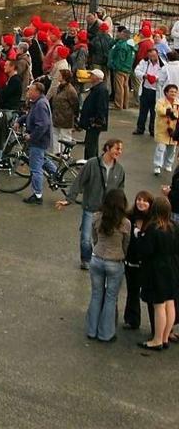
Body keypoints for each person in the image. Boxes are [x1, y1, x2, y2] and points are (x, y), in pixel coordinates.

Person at [55, 137, 126, 269]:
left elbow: (120, 191)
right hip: (90, 208)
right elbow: (79, 181)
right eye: (117, 148)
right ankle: (86, 260)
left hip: (108, 211)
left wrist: (121, 209)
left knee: (102, 238)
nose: (119, 152)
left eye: (121, 149)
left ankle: (100, 260)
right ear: (107, 148)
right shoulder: (92, 164)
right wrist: (68, 199)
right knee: (86, 239)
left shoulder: (119, 170)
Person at [83, 188, 130, 343]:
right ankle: (106, 333)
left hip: (97, 259)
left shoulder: (97, 217)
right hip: (115, 262)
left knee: (96, 295)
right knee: (110, 298)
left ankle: (91, 330)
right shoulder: (125, 223)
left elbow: (94, 237)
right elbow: (126, 245)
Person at [136, 197, 178, 350]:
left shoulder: (153, 228)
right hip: (171, 268)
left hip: (156, 270)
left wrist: (140, 236)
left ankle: (157, 339)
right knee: (170, 302)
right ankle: (166, 337)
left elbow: (146, 250)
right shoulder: (174, 226)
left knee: (158, 305)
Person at [124, 191, 155, 334]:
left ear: (150, 204)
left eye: (145, 201)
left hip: (148, 265)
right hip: (131, 262)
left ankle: (156, 327)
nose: (141, 203)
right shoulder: (129, 217)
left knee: (151, 296)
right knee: (132, 291)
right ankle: (132, 320)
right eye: (139, 199)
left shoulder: (153, 221)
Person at [22, 82, 57, 205]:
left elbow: (42, 125)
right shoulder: (38, 102)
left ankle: (37, 195)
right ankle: (56, 174)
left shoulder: (40, 105)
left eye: (31, 90)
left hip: (38, 141)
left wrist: (31, 137)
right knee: (44, 159)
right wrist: (21, 120)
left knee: (35, 168)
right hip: (42, 140)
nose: (28, 93)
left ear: (37, 92)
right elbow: (31, 116)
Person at [78, 69, 110, 161]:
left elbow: (101, 107)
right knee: (90, 143)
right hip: (92, 122)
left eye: (92, 75)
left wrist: (97, 121)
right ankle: (90, 162)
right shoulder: (97, 88)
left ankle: (90, 162)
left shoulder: (101, 90)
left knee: (91, 144)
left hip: (94, 123)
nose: (90, 76)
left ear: (97, 77)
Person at [154, 84, 179, 175]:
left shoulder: (178, 103)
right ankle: (157, 166)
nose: (173, 93)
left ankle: (168, 164)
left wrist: (175, 115)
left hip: (174, 131)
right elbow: (159, 110)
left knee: (172, 149)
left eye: (175, 92)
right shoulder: (161, 101)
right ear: (166, 92)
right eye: (171, 91)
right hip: (162, 129)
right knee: (161, 148)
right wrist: (169, 112)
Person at [108, 29, 135, 110]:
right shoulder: (132, 45)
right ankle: (125, 104)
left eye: (121, 34)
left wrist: (115, 66)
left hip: (120, 68)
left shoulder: (122, 45)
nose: (119, 35)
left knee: (119, 87)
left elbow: (120, 58)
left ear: (124, 35)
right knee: (125, 86)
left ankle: (118, 104)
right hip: (127, 68)